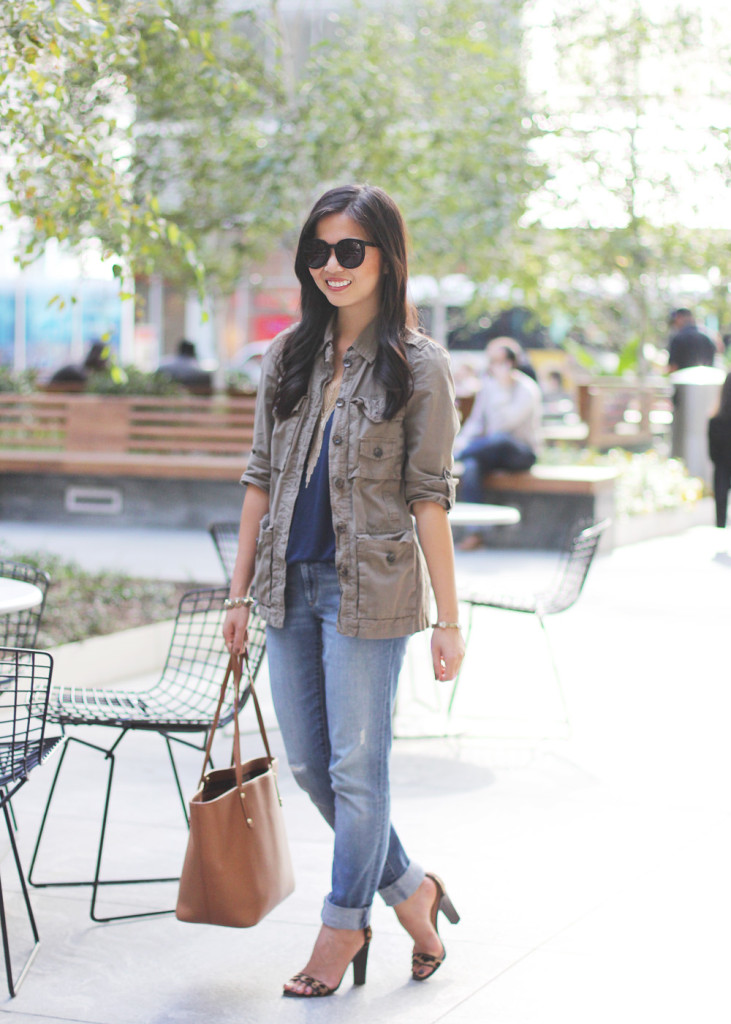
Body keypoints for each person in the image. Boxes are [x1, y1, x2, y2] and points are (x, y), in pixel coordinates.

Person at [223, 184, 464, 998]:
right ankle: (413, 891)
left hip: (373, 590)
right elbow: (259, 477)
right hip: (287, 584)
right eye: (318, 251)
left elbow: (429, 495)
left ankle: (341, 924)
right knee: (309, 767)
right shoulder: (287, 357)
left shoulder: (418, 365)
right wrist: (233, 596)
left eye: (349, 250)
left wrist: (447, 620)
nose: (331, 265)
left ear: (385, 257)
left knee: (360, 769)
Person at [454, 339, 541, 550]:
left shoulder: (526, 389)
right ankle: (475, 534)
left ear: (511, 363)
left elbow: (504, 425)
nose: (493, 366)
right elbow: (476, 422)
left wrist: (503, 388)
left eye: (498, 361)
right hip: (491, 451)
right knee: (472, 466)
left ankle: (456, 457)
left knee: (498, 439)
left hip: (521, 453)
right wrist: (459, 443)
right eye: (491, 361)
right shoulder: (488, 388)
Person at [708, 371, 731, 528]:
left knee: (721, 485)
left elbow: (712, 453)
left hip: (722, 466)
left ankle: (720, 522)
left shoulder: (715, 420)